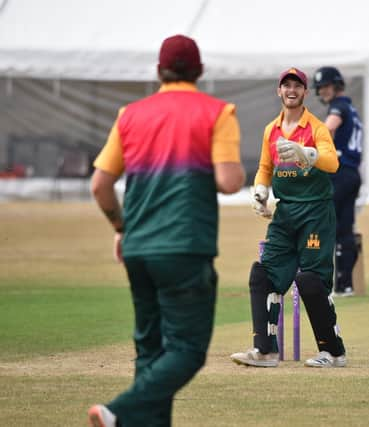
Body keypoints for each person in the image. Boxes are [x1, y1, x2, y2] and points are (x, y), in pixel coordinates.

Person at [88, 34, 245, 427]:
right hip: (184, 246)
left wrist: (120, 228)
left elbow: (100, 186)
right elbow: (229, 181)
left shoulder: (130, 115)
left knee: (150, 351)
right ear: (201, 71)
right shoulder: (217, 113)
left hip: (138, 248)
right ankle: (117, 412)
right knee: (187, 350)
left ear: (159, 72)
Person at [230, 67, 347, 368]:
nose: (291, 90)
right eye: (286, 86)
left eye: (297, 86)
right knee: (263, 275)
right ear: (278, 91)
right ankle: (266, 351)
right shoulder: (272, 129)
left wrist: (304, 153)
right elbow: (265, 168)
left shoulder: (317, 128)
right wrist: (259, 192)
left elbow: (332, 163)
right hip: (284, 213)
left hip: (315, 212)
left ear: (305, 92)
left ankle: (332, 352)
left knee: (310, 280)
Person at [312, 66, 363, 297]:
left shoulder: (339, 107)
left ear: (337, 85)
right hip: (352, 174)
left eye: (325, 87)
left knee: (324, 226)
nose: (322, 92)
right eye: (320, 88)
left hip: (339, 173)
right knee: (344, 229)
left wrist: (306, 148)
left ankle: (324, 284)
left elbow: (328, 127)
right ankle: (345, 285)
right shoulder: (352, 109)